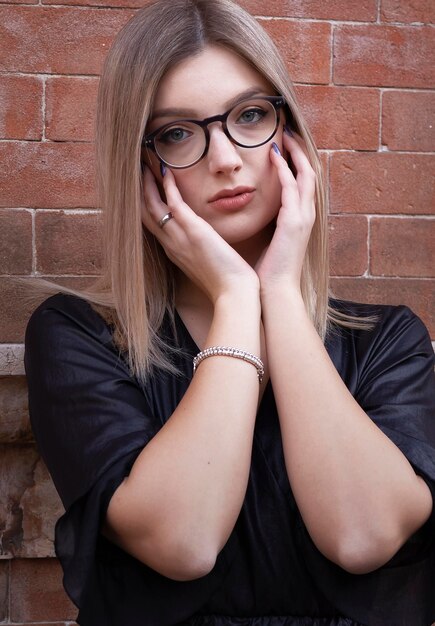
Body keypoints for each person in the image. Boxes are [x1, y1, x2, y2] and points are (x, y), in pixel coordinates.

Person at [24, 1, 435, 625]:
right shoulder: (77, 336)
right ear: (140, 168)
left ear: (290, 135)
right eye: (177, 133)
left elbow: (362, 536)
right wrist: (236, 297)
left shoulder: (390, 341)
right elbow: (182, 543)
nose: (224, 158)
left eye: (250, 116)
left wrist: (278, 292)